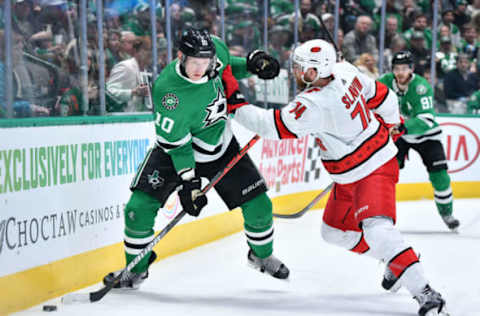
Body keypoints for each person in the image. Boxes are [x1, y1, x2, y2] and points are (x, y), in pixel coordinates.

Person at [231, 39, 448, 316]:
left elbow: (269, 126)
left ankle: (427, 294)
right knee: (334, 232)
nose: (295, 72)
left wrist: (233, 103)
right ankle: (397, 260)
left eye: (299, 68)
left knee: (377, 229)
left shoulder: (314, 103)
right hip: (351, 174)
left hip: (374, 168)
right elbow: (385, 98)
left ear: (312, 72)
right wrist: (392, 122)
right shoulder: (346, 71)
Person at [103, 28, 289, 289]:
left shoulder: (215, 49)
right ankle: (136, 268)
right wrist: (188, 183)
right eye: (194, 63)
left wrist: (252, 65)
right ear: (181, 56)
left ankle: (261, 255)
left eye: (206, 63)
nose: (200, 69)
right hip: (175, 152)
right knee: (138, 208)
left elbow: (229, 68)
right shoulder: (169, 93)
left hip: (219, 146)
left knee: (260, 206)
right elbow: (179, 147)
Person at [378, 50, 460, 231]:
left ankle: (447, 212)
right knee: (384, 175)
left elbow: (427, 119)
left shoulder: (421, 87)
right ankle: (381, 214)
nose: (400, 73)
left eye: (404, 68)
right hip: (398, 137)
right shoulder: (384, 82)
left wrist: (402, 126)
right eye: (396, 68)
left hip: (426, 136)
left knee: (439, 176)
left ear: (412, 69)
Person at [106, 36, 152, 113]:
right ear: (135, 51)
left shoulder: (147, 70)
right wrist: (133, 92)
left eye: (150, 50)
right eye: (146, 50)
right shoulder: (125, 66)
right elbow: (108, 92)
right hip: (124, 117)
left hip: (142, 118)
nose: (149, 54)